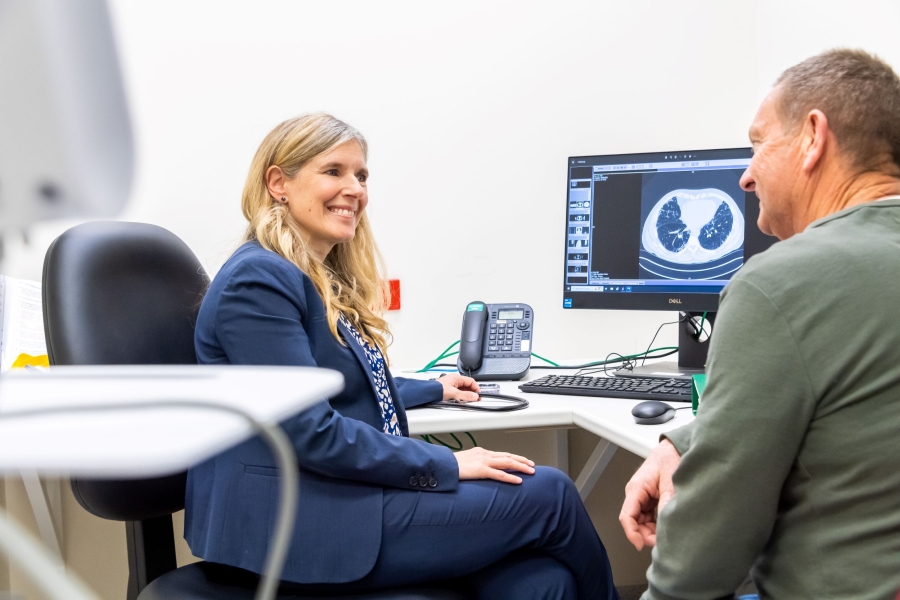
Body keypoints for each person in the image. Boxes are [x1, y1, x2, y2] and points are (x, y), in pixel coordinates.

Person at [184, 113, 619, 599]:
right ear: (278, 182)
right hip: (302, 520)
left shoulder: (311, 276)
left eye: (361, 175)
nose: (355, 189)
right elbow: (310, 431)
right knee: (552, 495)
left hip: (341, 496)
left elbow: (333, 382)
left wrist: (432, 388)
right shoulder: (258, 281)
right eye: (334, 171)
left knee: (544, 583)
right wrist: (449, 465)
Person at [618, 48, 900, 600]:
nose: (745, 177)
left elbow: (699, 565)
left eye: (757, 143)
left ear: (813, 136)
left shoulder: (778, 284)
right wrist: (684, 439)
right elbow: (863, 405)